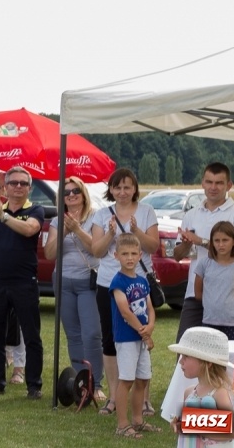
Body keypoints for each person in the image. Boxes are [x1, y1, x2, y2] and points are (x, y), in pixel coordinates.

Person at [90, 167, 158, 416]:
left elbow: (154, 246)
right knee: (111, 340)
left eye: (127, 186)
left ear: (135, 188)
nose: (122, 192)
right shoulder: (100, 214)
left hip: (139, 285)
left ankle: (145, 399)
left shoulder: (147, 211)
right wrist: (110, 233)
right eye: (117, 187)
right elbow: (96, 251)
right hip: (108, 283)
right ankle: (114, 397)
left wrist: (136, 231)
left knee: (142, 338)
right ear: (110, 190)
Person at [0, 166, 45, 400]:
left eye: (23, 183)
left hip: (24, 280)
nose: (18, 187)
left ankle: (34, 385)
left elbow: (29, 229)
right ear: (6, 187)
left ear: (29, 188)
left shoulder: (35, 209)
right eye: (13, 183)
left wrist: (4, 217)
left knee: (31, 334)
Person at [44, 176, 105, 403]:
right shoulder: (57, 221)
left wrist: (78, 230)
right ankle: (82, 384)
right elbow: (49, 254)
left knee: (92, 334)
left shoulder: (95, 218)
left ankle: (96, 383)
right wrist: (64, 232)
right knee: (74, 335)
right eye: (66, 192)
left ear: (83, 194)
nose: (71, 195)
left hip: (87, 281)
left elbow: (97, 250)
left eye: (75, 191)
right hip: (63, 281)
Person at [174, 162, 234, 342]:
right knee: (186, 352)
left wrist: (201, 241)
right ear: (202, 183)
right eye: (209, 182)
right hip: (195, 294)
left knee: (225, 354)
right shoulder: (191, 215)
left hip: (226, 297)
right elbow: (177, 256)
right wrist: (186, 244)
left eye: (219, 183)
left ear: (229, 186)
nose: (213, 187)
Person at [109, 233, 160, 439]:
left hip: (140, 336)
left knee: (142, 379)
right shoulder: (117, 281)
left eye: (133, 254)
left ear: (140, 255)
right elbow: (125, 311)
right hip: (127, 338)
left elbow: (149, 307)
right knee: (127, 380)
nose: (129, 258)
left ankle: (138, 420)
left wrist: (151, 326)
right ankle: (122, 424)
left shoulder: (142, 280)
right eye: (124, 254)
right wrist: (145, 333)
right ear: (116, 256)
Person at [169, 327, 234, 447]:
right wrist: (179, 423)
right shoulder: (189, 393)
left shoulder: (219, 393)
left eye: (186, 356)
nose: (181, 361)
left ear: (207, 363)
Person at [195, 221, 234, 340]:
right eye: (217, 240)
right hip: (209, 322)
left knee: (231, 356)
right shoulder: (204, 264)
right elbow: (198, 293)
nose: (221, 244)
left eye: (225, 240)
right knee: (209, 357)